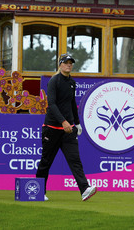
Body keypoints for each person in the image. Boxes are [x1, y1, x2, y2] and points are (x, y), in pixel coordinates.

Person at [36, 53, 97, 202]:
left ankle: (84, 189)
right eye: (66, 62)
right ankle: (38, 192)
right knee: (46, 162)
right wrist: (63, 121)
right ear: (60, 65)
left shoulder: (72, 83)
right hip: (52, 128)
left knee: (75, 159)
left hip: (68, 130)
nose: (69, 65)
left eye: (71, 63)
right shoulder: (54, 81)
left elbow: (71, 104)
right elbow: (52, 104)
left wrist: (76, 122)